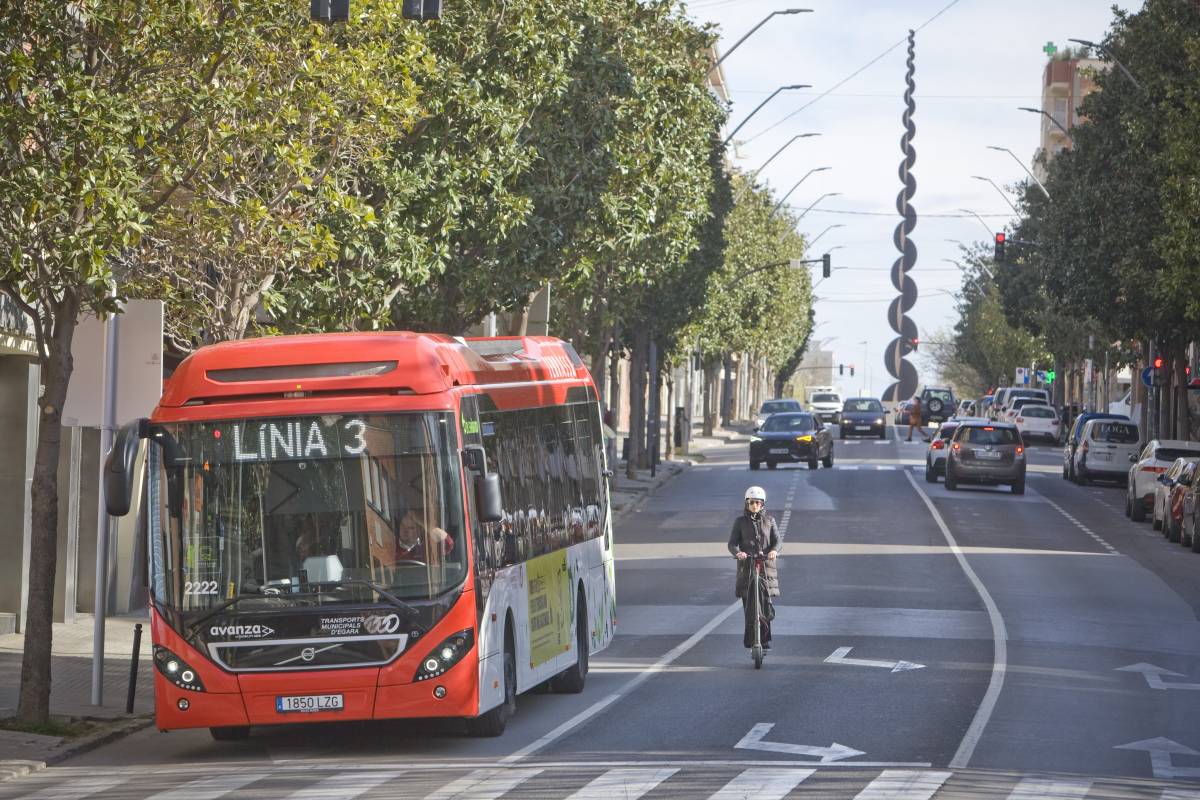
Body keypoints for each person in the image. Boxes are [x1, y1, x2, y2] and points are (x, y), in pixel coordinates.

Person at [727, 486, 780, 651]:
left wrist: (773, 551)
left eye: (758, 502)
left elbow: (777, 541)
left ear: (763, 504)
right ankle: (751, 640)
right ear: (746, 503)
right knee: (749, 606)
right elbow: (732, 544)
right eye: (751, 503)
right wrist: (739, 553)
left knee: (765, 604)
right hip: (747, 567)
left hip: (765, 566)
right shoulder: (740, 522)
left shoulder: (770, 521)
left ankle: (764, 641)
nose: (754, 505)